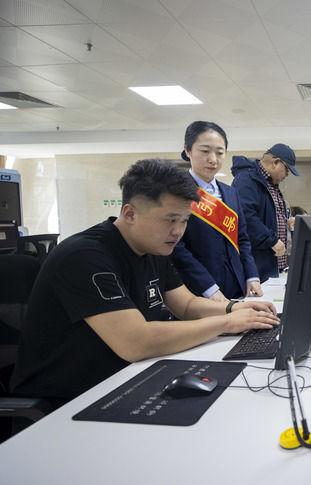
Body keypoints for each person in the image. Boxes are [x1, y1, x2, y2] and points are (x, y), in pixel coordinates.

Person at [10, 159, 279, 407]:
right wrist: (227, 323)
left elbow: (186, 305)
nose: (178, 231)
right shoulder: (85, 256)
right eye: (170, 220)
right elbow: (135, 341)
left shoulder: (155, 249)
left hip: (126, 376)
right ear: (130, 213)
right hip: (65, 400)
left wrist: (233, 308)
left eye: (184, 221)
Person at [171, 121, 262, 302]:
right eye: (205, 151)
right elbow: (176, 247)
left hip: (237, 288)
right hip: (198, 292)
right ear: (188, 151)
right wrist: (208, 288)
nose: (213, 159)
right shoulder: (174, 192)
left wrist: (252, 276)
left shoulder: (231, 193)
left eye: (220, 153)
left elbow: (242, 238)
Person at [231, 144, 299, 282]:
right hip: (257, 267)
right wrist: (271, 240)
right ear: (275, 162)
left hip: (272, 267)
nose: (286, 175)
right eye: (286, 170)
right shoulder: (246, 179)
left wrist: (287, 219)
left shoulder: (271, 184)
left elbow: (269, 214)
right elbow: (246, 217)